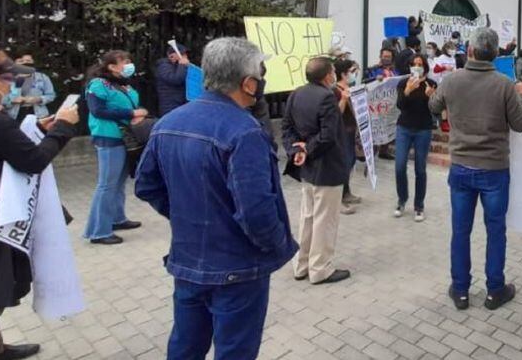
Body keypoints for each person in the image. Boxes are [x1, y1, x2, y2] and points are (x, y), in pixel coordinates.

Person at [134, 37, 297, 360]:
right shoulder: (245, 132)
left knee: (185, 346)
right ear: (249, 83)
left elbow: (146, 185)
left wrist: (188, 215)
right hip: (237, 267)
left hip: (188, 259)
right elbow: (257, 212)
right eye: (261, 73)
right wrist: (278, 245)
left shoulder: (169, 122)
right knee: (234, 350)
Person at [0, 48, 80, 360]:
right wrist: (64, 127)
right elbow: (33, 161)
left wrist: (40, 129)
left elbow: (3, 149)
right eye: (11, 79)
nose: (15, 86)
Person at [429, 28, 522, 311]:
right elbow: (521, 124)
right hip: (494, 170)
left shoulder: (451, 81)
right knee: (495, 231)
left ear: (470, 51)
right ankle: (494, 290)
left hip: (461, 167)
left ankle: (460, 290)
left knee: (460, 231)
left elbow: (433, 105)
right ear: (496, 54)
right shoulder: (505, 85)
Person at [281, 56, 353, 285]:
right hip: (326, 166)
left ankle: (302, 265)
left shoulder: (296, 93)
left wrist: (297, 150)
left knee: (308, 217)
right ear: (327, 76)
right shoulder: (327, 98)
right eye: (333, 71)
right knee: (324, 220)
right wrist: (306, 150)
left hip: (308, 168)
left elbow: (287, 127)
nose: (335, 74)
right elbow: (328, 136)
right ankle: (320, 268)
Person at [83, 50, 145, 245]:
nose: (128, 63)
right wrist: (131, 112)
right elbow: (98, 110)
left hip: (125, 137)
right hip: (108, 137)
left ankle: (117, 218)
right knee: (107, 184)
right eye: (124, 61)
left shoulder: (122, 84)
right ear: (111, 66)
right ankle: (98, 231)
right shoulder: (98, 85)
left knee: (119, 182)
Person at [394, 54, 437, 222]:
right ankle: (401, 199)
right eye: (414, 64)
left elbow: (436, 111)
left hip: (423, 129)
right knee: (399, 166)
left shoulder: (431, 83)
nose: (417, 66)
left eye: (420, 64)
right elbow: (400, 105)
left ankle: (419, 205)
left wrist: (430, 97)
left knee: (420, 169)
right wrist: (407, 91)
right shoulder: (403, 83)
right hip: (404, 127)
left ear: (425, 66)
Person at [334, 59, 362, 211]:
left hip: (351, 130)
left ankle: (346, 191)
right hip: (342, 131)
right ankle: (339, 195)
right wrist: (344, 99)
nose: (354, 74)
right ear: (343, 74)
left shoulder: (350, 87)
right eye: (351, 71)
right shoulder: (336, 91)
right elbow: (337, 113)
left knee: (350, 161)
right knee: (345, 162)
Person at [2, 54, 56, 122]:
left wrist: (39, 99)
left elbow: (51, 95)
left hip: (38, 114)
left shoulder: (42, 77)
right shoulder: (9, 79)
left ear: (33, 62)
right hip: (15, 115)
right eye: (22, 61)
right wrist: (12, 101)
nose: (25, 63)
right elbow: (1, 100)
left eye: (28, 60)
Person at [154, 43, 190, 116]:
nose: (185, 57)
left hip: (180, 103)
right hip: (170, 105)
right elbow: (176, 79)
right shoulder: (164, 66)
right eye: (182, 54)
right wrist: (182, 65)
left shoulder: (179, 66)